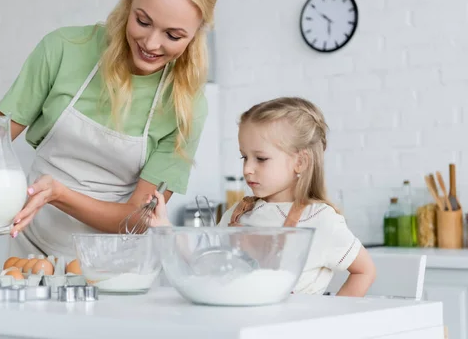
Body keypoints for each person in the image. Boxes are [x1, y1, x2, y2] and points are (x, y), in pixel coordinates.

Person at [0, 0, 218, 260]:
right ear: (129, 3)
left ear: (195, 36)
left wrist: (61, 194)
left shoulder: (186, 107)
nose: (151, 43)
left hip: (113, 263)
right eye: (142, 21)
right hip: (29, 250)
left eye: (173, 35)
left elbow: (139, 219)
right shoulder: (64, 49)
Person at [150, 97, 376, 297]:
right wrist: (164, 227)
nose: (248, 168)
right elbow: (206, 260)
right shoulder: (238, 214)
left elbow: (365, 271)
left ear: (300, 162)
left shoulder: (320, 219)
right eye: (244, 157)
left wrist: (332, 320)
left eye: (261, 159)